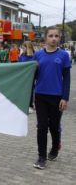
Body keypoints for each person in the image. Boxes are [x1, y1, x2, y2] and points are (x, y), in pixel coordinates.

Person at [32, 26, 71, 170]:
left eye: (56, 36)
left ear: (59, 38)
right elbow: (33, 76)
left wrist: (65, 98)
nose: (54, 38)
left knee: (54, 126)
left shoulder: (63, 55)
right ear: (45, 38)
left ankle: (55, 147)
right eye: (51, 36)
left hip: (57, 97)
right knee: (42, 127)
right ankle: (41, 157)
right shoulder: (38, 55)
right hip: (41, 96)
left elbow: (66, 78)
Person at [18, 41, 35, 114]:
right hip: (23, 76)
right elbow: (18, 64)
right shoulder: (22, 55)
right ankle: (23, 104)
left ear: (28, 47)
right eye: (22, 47)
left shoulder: (34, 55)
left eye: (23, 47)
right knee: (23, 89)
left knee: (30, 90)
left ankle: (30, 105)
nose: (22, 49)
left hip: (31, 76)